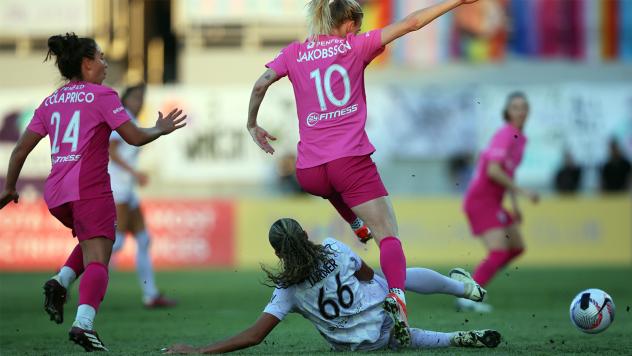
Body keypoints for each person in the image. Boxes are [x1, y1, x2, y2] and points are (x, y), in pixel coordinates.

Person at [246, 0, 478, 346]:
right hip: (349, 162)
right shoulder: (355, 45)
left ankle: (354, 221)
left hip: (309, 172)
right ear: (348, 21)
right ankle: (397, 299)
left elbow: (262, 83)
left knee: (330, 185)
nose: (358, 27)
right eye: (357, 21)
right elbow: (412, 22)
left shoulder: (294, 53)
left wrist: (252, 124)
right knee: (389, 236)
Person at [0, 33, 186, 351]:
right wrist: (161, 129)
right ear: (86, 63)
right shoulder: (103, 96)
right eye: (100, 57)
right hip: (89, 190)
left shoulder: (51, 101)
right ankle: (83, 324)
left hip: (56, 195)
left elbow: (18, 151)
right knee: (100, 258)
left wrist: (9, 188)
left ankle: (60, 281)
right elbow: (134, 138)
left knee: (92, 241)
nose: (104, 63)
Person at [164, 218, 500, 354]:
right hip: (378, 309)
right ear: (305, 236)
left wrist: (199, 352)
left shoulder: (287, 290)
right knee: (391, 278)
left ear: (277, 252)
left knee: (399, 340)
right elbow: (369, 276)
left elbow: (254, 336)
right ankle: (462, 288)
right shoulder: (333, 248)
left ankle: (454, 338)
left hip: (357, 344)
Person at [460, 92, 539, 313]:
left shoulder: (520, 139)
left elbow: (508, 173)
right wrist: (523, 192)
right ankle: (468, 295)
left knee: (516, 247)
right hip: (481, 200)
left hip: (495, 201)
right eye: (515, 107)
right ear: (507, 112)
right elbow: (494, 171)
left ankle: (479, 279)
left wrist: (514, 206)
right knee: (499, 251)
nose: (520, 111)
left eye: (524, 107)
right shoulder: (506, 134)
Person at [108, 84, 177, 308]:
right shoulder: (122, 118)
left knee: (143, 239)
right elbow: (111, 150)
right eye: (135, 97)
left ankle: (151, 294)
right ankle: (66, 275)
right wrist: (134, 172)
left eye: (141, 98)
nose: (139, 102)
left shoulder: (130, 121)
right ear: (125, 100)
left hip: (126, 189)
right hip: (117, 187)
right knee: (115, 244)